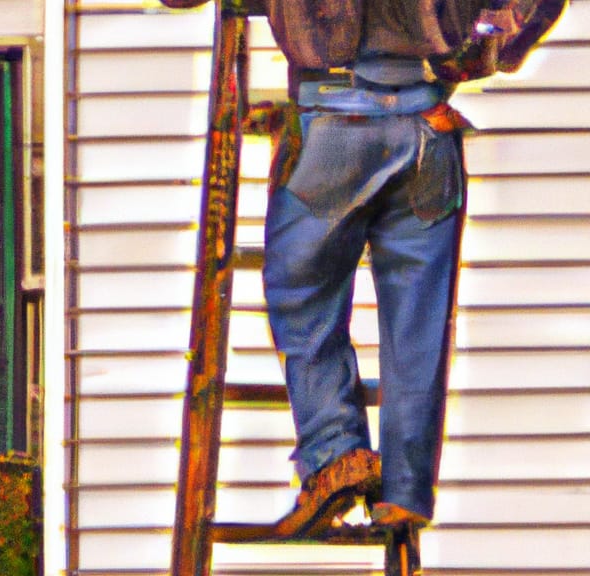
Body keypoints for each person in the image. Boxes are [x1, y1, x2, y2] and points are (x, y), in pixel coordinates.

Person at [239, 0, 569, 537]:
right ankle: (407, 490)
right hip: (426, 121)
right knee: (418, 318)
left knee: (300, 294)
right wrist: (491, 42)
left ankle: (334, 450)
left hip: (331, 121)